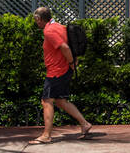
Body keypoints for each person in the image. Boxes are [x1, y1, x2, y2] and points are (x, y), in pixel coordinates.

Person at [31, 7, 93, 144]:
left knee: (46, 101)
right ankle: (85, 124)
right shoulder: (59, 26)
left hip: (57, 71)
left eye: (36, 20)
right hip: (62, 70)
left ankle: (46, 135)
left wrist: (71, 62)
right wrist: (72, 63)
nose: (36, 23)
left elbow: (64, 47)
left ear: (39, 19)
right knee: (60, 101)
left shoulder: (49, 31)